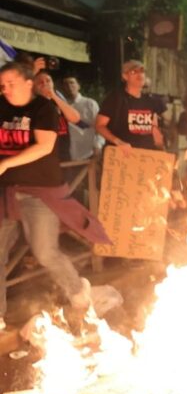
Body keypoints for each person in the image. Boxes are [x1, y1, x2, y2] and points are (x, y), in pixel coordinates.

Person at [0, 62, 109, 331]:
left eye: (11, 83)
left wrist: (4, 164)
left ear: (29, 83)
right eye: (2, 85)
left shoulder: (44, 108)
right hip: (7, 192)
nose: (6, 89)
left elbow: (44, 146)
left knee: (45, 251)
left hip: (40, 192)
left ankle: (77, 292)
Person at [96, 60, 163, 150]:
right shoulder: (115, 98)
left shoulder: (150, 100)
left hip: (146, 156)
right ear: (125, 76)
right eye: (134, 72)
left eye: (142, 71)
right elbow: (99, 125)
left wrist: (161, 150)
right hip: (121, 155)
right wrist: (118, 142)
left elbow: (155, 129)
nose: (139, 75)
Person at [31, 70, 79, 162]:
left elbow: (75, 118)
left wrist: (53, 96)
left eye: (48, 81)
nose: (45, 84)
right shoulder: (32, 104)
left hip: (63, 155)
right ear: (34, 86)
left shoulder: (58, 101)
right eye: (40, 82)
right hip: (41, 159)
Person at [62, 76, 101, 161]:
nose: (69, 86)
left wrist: (98, 145)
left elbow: (100, 126)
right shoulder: (62, 107)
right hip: (68, 154)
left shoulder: (90, 104)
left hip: (89, 152)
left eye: (72, 82)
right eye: (66, 84)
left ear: (78, 86)